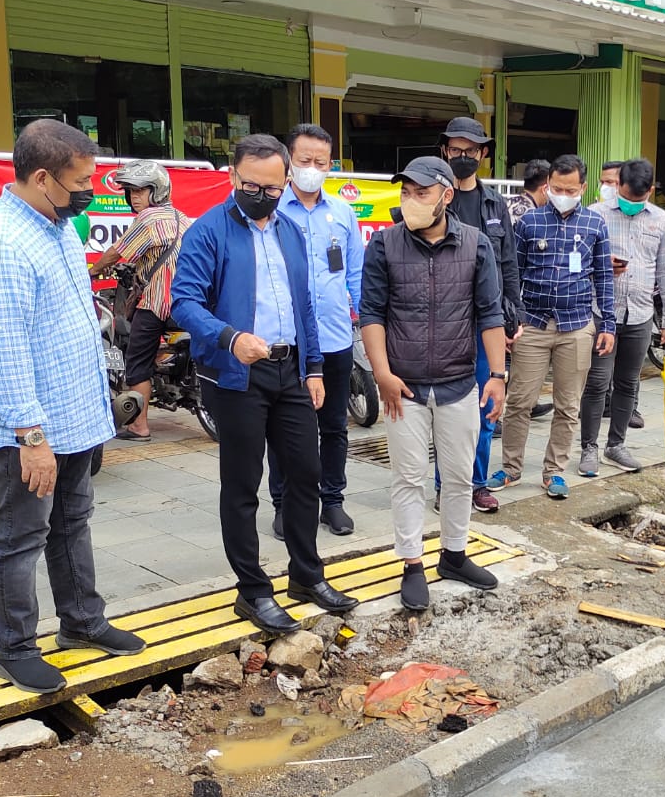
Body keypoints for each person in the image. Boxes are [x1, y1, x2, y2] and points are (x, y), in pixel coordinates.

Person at [0, 120, 145, 693]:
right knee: (19, 537)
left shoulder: (54, 223)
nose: (89, 191)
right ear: (42, 178)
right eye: (80, 181)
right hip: (29, 429)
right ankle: (12, 649)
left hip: (72, 415)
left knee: (72, 524)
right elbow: (5, 351)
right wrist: (30, 439)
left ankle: (82, 622)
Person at [171, 134, 357, 633]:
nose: (263, 195)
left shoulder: (291, 231)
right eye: (253, 185)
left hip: (291, 370)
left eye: (274, 188)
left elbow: (306, 308)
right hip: (237, 375)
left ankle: (306, 574)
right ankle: (252, 591)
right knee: (242, 485)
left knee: (304, 473)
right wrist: (230, 338)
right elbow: (183, 302)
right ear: (234, 178)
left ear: (286, 183)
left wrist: (314, 368)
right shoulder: (208, 232)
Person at [360, 157, 508, 611]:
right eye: (405, 192)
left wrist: (498, 376)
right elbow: (371, 314)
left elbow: (489, 313)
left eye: (420, 193)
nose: (410, 201)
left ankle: (454, 555)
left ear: (446, 196)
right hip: (403, 388)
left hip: (459, 382)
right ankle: (411, 564)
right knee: (408, 479)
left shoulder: (476, 246)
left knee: (461, 477)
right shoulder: (384, 245)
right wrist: (382, 374)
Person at [493, 154, 615, 500]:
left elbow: (604, 278)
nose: (562, 193)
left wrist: (608, 324)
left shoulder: (595, 225)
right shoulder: (529, 223)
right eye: (556, 188)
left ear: (583, 188)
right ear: (547, 185)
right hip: (532, 324)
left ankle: (554, 472)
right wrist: (509, 319)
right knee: (519, 401)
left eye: (570, 189)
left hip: (576, 326)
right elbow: (511, 273)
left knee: (568, 405)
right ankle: (511, 468)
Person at [262, 124, 363, 537]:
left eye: (321, 162)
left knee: (335, 425)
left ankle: (332, 500)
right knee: (283, 429)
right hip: (289, 343)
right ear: (288, 162)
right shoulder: (271, 210)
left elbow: (354, 275)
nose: (312, 169)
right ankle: (284, 504)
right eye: (304, 161)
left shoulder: (342, 213)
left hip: (336, 336)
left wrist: (364, 324)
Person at [439, 116, 520, 513]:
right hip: (445, 321)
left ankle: (476, 483)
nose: (463, 157)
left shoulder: (495, 204)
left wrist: (514, 312)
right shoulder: (434, 198)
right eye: (456, 150)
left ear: (482, 154)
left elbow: (509, 262)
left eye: (470, 151)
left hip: (486, 321)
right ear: (444, 151)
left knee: (487, 404)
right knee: (448, 407)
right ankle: (446, 486)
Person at [579, 158, 665, 476]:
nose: (632, 204)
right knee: (597, 383)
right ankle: (589, 447)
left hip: (640, 315)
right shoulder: (594, 216)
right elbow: (574, 262)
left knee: (628, 383)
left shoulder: (662, 221)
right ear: (616, 184)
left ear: (650, 190)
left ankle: (616, 445)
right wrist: (601, 263)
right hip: (600, 313)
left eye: (640, 199)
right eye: (626, 195)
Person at [87, 159, 192, 442]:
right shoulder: (183, 218)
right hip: (189, 301)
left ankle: (139, 426)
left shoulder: (147, 219)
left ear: (156, 191)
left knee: (137, 361)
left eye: (140, 191)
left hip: (158, 302)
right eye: (130, 192)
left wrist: (93, 271)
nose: (134, 197)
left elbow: (115, 252)